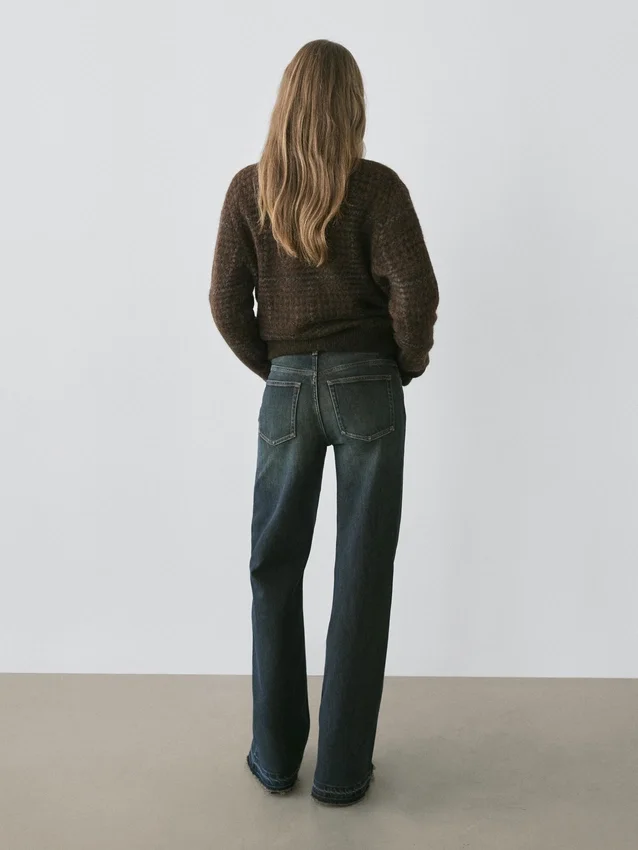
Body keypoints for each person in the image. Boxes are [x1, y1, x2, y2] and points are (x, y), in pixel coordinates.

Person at [208, 38, 439, 806]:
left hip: (286, 390)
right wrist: (401, 365)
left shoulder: (251, 190)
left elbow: (224, 301)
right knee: (361, 576)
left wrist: (278, 370)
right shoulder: (377, 188)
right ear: (351, 106)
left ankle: (275, 759)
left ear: (286, 101)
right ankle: (341, 774)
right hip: (368, 384)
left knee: (273, 569)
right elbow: (416, 290)